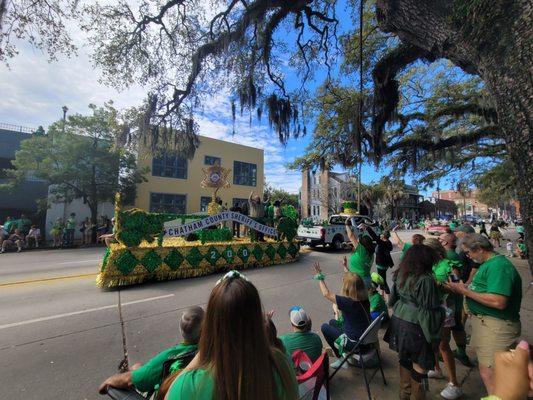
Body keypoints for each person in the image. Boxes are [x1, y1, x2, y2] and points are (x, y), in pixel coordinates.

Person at [163, 270, 298, 400]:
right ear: (257, 321)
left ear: (210, 323)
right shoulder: (281, 365)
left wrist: (208, 343)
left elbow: (170, 394)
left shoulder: (189, 386)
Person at [446, 234, 522, 395]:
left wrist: (464, 291)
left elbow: (498, 301)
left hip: (496, 326)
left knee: (490, 371)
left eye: (468, 253)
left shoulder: (499, 266)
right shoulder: (489, 264)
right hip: (488, 325)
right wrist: (465, 287)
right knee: (493, 366)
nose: (468, 256)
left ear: (480, 249)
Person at [99, 306, 204, 396]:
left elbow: (129, 380)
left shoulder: (170, 356)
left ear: (181, 330)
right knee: (137, 367)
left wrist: (108, 382)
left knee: (136, 368)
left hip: (161, 394)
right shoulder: (209, 348)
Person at [385, 245, 444, 400]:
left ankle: (404, 394)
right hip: (416, 325)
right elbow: (429, 311)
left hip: (398, 319)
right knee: (420, 365)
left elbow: (392, 300)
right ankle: (417, 396)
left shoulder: (401, 273)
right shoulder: (425, 280)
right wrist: (433, 337)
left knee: (404, 358)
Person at [423, 238, 463, 399]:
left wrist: (438, 284)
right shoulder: (428, 264)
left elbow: (458, 287)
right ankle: (436, 368)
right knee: (430, 341)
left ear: (436, 252)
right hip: (429, 308)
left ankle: (454, 383)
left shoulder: (450, 267)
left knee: (443, 345)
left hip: (444, 309)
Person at [312, 262, 371, 369]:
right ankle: (343, 354)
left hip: (356, 345)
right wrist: (345, 267)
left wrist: (319, 276)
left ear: (348, 288)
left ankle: (341, 358)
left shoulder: (349, 303)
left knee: (325, 327)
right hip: (366, 340)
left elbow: (326, 294)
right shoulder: (364, 298)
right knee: (332, 322)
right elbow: (355, 281)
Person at [438, 233, 473, 367]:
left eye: (440, 239)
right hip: (453, 300)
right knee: (457, 327)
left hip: (450, 301)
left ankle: (453, 352)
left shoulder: (449, 257)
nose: (438, 240)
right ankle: (461, 352)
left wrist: (440, 285)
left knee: (449, 329)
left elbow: (455, 282)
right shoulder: (452, 255)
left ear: (446, 243)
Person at [344, 219, 375, 288]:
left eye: (358, 240)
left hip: (358, 281)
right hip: (367, 280)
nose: (357, 240)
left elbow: (351, 236)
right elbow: (366, 239)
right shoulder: (370, 254)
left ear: (362, 245)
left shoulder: (362, 252)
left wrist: (346, 224)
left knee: (355, 298)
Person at [365, 227, 393, 295]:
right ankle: (382, 294)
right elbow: (376, 238)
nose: (380, 235)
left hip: (382, 265)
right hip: (382, 264)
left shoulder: (384, 243)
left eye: (381, 234)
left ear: (384, 236)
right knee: (381, 279)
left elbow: (375, 237)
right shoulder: (385, 242)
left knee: (383, 281)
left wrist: (368, 228)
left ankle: (389, 297)